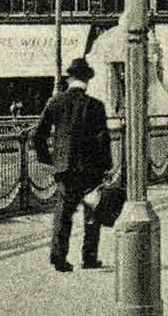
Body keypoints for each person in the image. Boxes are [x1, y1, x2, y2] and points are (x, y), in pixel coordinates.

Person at [31, 57, 114, 273]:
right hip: (90, 170)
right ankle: (89, 258)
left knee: (63, 213)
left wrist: (50, 160)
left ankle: (59, 258)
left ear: (70, 78)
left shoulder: (55, 102)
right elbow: (102, 141)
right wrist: (106, 169)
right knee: (92, 214)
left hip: (64, 169)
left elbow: (37, 136)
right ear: (87, 80)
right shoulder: (95, 106)